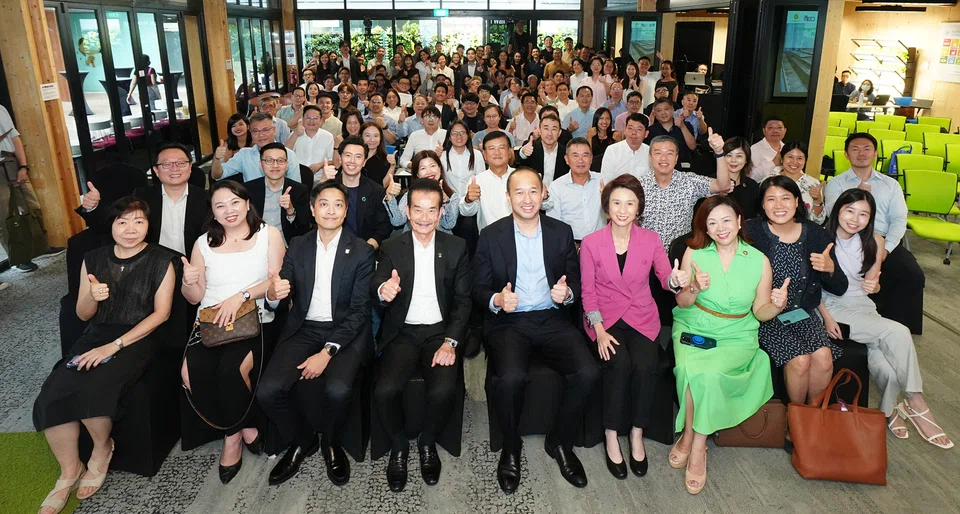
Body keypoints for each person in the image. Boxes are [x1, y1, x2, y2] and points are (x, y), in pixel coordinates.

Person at [33, 198, 176, 514]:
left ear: (148, 226)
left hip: (139, 337)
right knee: (53, 392)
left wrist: (115, 346)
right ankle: (69, 472)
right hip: (96, 334)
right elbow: (83, 315)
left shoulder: (161, 260)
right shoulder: (93, 259)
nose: (130, 229)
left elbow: (161, 314)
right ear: (111, 226)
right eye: (122, 222)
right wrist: (92, 298)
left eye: (138, 221)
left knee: (95, 386)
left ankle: (101, 450)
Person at [471, 167, 600, 493]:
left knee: (588, 373)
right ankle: (511, 446)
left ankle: (559, 441)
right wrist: (498, 299)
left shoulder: (560, 231)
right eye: (519, 192)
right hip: (509, 323)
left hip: (552, 319)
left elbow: (576, 281)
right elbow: (477, 288)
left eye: (533, 191)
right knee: (510, 377)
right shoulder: (491, 235)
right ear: (508, 196)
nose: (527, 199)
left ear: (543, 193)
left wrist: (567, 294)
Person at [257, 180, 376, 486]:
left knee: (337, 389)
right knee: (268, 391)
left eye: (338, 204)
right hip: (305, 327)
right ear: (312, 209)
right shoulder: (298, 245)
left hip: (346, 333)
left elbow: (360, 311)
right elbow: (280, 289)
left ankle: (331, 442)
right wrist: (273, 293)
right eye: (324, 203)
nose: (331, 210)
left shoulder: (361, 251)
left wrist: (327, 352)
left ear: (346, 209)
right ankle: (302, 439)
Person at [670, 195, 785, 494]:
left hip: (737, 332)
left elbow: (760, 312)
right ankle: (695, 439)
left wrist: (777, 305)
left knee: (705, 375)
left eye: (725, 220)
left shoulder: (759, 260)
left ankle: (694, 442)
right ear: (705, 229)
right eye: (712, 223)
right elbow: (682, 302)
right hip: (694, 324)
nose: (720, 228)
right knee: (688, 369)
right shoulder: (694, 254)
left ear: (738, 222)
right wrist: (694, 286)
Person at [823, 189, 952, 449]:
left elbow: (874, 285)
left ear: (870, 218)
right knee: (898, 332)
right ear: (838, 209)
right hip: (833, 307)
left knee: (885, 366)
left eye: (863, 214)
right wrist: (825, 317)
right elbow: (811, 287)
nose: (855, 219)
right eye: (850, 211)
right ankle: (915, 402)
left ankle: (889, 410)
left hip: (864, 307)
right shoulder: (821, 238)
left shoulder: (876, 241)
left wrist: (874, 287)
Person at [579, 175, 688, 480]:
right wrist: (598, 331)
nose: (623, 209)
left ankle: (637, 432)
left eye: (629, 203)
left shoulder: (651, 239)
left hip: (642, 317)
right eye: (616, 202)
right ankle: (612, 434)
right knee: (619, 364)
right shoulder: (591, 243)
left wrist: (674, 281)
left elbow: (665, 277)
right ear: (607, 206)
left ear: (639, 207)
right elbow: (588, 292)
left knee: (645, 365)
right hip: (606, 320)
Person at [180, 181, 286, 484]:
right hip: (211, 323)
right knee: (189, 374)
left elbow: (274, 281)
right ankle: (245, 427)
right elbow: (194, 296)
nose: (229, 210)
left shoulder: (268, 234)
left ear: (247, 203)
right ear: (212, 212)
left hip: (252, 320)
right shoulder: (203, 243)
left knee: (230, 372)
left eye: (235, 202)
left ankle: (231, 439)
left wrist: (240, 296)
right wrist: (188, 281)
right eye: (220, 205)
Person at [373, 178, 472, 491]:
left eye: (432, 210)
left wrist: (451, 342)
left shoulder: (456, 247)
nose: (424, 217)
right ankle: (399, 446)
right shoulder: (391, 246)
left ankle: (427, 443)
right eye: (418, 210)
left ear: (442, 212)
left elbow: (463, 301)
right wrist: (383, 290)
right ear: (407, 210)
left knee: (444, 390)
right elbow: (376, 284)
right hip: (402, 332)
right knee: (385, 391)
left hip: (439, 333)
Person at [743, 176, 846, 428]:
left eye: (785, 198)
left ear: (797, 201)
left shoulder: (814, 233)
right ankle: (795, 421)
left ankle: (811, 418)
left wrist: (830, 268)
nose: (779, 205)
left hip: (802, 312)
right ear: (763, 206)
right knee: (799, 360)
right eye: (771, 199)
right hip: (764, 314)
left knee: (823, 356)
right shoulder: (751, 231)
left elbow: (839, 286)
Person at [824, 132, 924, 335]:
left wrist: (886, 248)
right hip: (849, 239)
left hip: (883, 240)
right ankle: (866, 320)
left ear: (876, 153)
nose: (861, 153)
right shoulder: (836, 183)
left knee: (911, 273)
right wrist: (857, 191)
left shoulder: (891, 184)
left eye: (867, 149)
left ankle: (901, 325)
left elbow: (898, 219)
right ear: (846, 154)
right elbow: (833, 214)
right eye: (855, 149)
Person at [78, 143, 209, 258]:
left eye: (181, 163)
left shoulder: (206, 198)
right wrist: (92, 207)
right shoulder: (143, 196)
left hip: (195, 264)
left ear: (190, 167)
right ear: (156, 170)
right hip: (152, 265)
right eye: (166, 164)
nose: (174, 169)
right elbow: (111, 221)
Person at [640, 133, 730, 251]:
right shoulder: (638, 185)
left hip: (679, 253)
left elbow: (723, 185)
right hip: (645, 255)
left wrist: (719, 152)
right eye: (658, 153)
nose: (664, 158)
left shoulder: (689, 181)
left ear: (676, 158)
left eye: (669, 153)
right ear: (650, 157)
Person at [0, 104, 56, 273]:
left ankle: (40, 247)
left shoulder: (1, 108)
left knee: (32, 207)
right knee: (6, 217)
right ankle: (17, 258)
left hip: (11, 163)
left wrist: (23, 166)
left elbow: (15, 137)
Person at [316, 136, 391, 250]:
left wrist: (365, 250)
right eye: (348, 155)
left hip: (364, 251)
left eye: (358, 157)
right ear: (340, 159)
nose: (352, 161)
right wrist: (322, 182)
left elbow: (383, 228)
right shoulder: (328, 187)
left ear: (364, 162)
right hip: (330, 249)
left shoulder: (376, 191)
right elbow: (312, 217)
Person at [246, 143, 312, 244]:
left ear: (287, 165)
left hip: (287, 246)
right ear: (260, 165)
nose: (275, 165)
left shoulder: (299, 190)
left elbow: (304, 229)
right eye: (269, 160)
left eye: (280, 161)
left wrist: (290, 211)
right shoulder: (248, 189)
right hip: (255, 245)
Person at [544, 137, 604, 240]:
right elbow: (554, 223)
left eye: (585, 155)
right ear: (567, 159)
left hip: (600, 242)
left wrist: (607, 200)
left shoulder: (603, 181)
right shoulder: (557, 186)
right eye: (575, 155)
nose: (580, 160)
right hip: (571, 244)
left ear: (591, 159)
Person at [385, 151, 460, 233]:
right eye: (423, 168)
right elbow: (398, 221)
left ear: (440, 169)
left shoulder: (452, 196)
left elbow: (449, 224)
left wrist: (445, 200)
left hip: (441, 242)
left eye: (432, 166)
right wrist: (390, 196)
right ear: (417, 174)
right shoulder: (411, 194)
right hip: (413, 241)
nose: (429, 171)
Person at [213, 113, 301, 182]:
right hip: (253, 202)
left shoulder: (289, 154)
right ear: (250, 132)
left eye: (265, 130)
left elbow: (296, 187)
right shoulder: (244, 155)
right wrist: (216, 159)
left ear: (274, 130)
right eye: (255, 131)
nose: (261, 135)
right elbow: (217, 175)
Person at [460, 132, 516, 232]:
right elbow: (467, 212)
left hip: (519, 235)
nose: (497, 152)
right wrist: (468, 199)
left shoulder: (521, 177)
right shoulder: (477, 181)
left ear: (509, 152)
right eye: (491, 148)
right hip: (490, 239)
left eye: (501, 147)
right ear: (485, 155)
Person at [778, 142, 825, 224]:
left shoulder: (813, 183)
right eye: (790, 157)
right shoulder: (770, 181)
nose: (794, 162)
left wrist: (818, 200)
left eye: (799, 158)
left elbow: (818, 221)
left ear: (805, 160)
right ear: (781, 158)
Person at [516, 114, 568, 187]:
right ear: (540, 131)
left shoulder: (566, 153)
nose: (549, 133)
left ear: (559, 133)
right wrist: (523, 152)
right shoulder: (531, 147)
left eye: (554, 129)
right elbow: (518, 162)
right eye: (546, 128)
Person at [285, 104, 335, 177]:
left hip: (319, 177)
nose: (311, 120)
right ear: (302, 119)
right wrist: (295, 134)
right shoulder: (295, 134)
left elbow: (333, 160)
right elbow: (285, 153)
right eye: (308, 117)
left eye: (315, 118)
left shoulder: (328, 136)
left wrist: (320, 165)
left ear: (321, 120)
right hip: (297, 176)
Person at [646, 99, 697, 168]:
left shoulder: (686, 125)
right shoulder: (650, 130)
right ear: (655, 113)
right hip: (660, 168)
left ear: (673, 110)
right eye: (659, 111)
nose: (663, 113)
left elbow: (692, 146)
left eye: (666, 109)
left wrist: (682, 127)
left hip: (684, 167)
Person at [601, 113, 651, 183]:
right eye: (630, 128)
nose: (633, 132)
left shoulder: (650, 153)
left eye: (639, 129)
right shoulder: (612, 150)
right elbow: (606, 181)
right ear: (625, 130)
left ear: (646, 134)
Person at [721, 137, 761, 220]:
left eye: (739, 156)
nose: (733, 160)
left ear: (746, 159)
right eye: (729, 155)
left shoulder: (752, 186)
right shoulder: (710, 182)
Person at [359, 121, 396, 188]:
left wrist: (392, 166)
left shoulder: (385, 160)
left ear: (380, 138)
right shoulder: (355, 156)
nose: (372, 139)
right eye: (367, 135)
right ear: (361, 136)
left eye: (376, 136)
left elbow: (383, 185)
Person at [750, 116, 786, 182]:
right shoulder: (755, 149)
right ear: (764, 131)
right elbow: (751, 176)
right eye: (770, 128)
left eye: (779, 128)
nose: (775, 130)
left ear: (785, 130)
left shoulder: (787, 148)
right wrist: (773, 163)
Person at [587, 108, 615, 172]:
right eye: (601, 118)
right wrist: (589, 137)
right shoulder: (591, 136)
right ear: (596, 119)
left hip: (610, 169)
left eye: (607, 118)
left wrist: (619, 140)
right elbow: (587, 156)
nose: (604, 122)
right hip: (593, 170)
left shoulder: (614, 136)